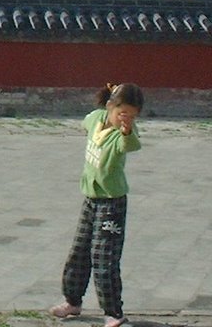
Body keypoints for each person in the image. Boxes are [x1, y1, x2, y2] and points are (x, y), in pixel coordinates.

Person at [50, 83, 144, 327]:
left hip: (112, 204)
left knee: (104, 257)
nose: (127, 119)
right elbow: (87, 120)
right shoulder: (96, 119)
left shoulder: (123, 135)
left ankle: (114, 312)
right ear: (110, 107)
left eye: (133, 116)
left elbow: (131, 145)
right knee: (79, 252)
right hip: (90, 199)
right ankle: (72, 301)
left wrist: (126, 130)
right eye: (123, 113)